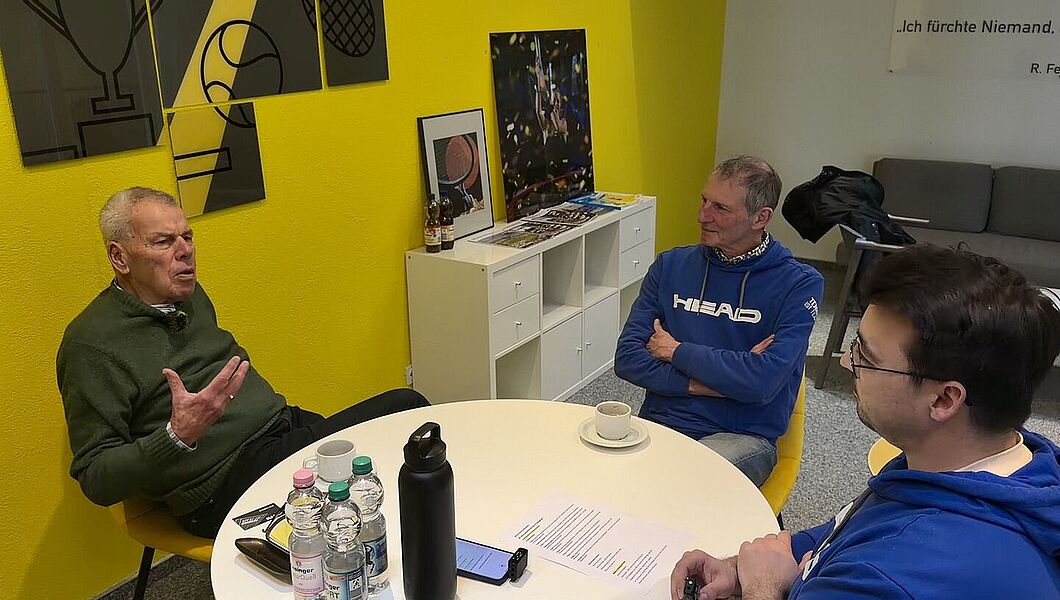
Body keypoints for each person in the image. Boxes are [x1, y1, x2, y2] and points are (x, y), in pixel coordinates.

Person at [670, 245, 1060, 600]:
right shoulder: (986, 463)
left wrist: (764, 587)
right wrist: (740, 569)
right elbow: (843, 531)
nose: (846, 362)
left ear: (944, 399)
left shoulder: (896, 574)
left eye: (867, 357)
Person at [57, 188, 429, 538]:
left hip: (280, 428)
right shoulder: (91, 344)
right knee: (405, 410)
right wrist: (176, 436)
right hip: (222, 481)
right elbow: (96, 478)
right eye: (163, 242)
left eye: (187, 237)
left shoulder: (187, 295)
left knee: (404, 445)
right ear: (119, 257)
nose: (185, 251)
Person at [615, 156, 824, 485]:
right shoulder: (670, 266)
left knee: (679, 483)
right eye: (704, 201)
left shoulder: (799, 284)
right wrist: (721, 384)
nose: (703, 215)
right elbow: (628, 359)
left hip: (741, 436)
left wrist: (675, 351)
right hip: (662, 423)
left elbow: (762, 383)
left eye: (721, 208)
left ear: (760, 218)